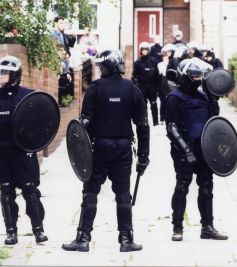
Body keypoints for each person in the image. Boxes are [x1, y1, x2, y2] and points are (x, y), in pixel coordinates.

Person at [62, 49, 150, 253]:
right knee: (123, 194)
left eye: (102, 65)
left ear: (108, 66)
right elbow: (143, 125)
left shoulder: (95, 88)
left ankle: (83, 238)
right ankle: (126, 240)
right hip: (123, 149)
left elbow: (84, 121)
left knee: (90, 192)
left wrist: (81, 153)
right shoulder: (132, 89)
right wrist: (144, 156)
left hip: (99, 147)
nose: (100, 68)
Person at [0, 55, 48, 245]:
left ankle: (38, 230)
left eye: (5, 73)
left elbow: (38, 123)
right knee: (6, 190)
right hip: (0, 150)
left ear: (15, 75)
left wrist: (36, 143)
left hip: (22, 151)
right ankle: (11, 232)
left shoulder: (27, 95)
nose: (1, 76)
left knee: (30, 189)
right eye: (0, 72)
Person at [165, 57, 228, 242]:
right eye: (194, 76)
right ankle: (177, 227)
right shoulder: (174, 98)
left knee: (207, 187)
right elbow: (171, 128)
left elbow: (214, 121)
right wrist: (186, 151)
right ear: (184, 76)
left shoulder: (203, 96)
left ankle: (207, 227)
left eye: (199, 76)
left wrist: (213, 98)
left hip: (203, 148)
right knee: (182, 186)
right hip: (184, 148)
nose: (198, 79)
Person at [132, 42, 160, 126]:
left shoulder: (154, 61)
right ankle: (144, 120)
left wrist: (158, 86)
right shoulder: (137, 62)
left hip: (152, 86)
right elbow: (134, 75)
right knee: (143, 105)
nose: (144, 51)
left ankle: (156, 122)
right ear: (141, 51)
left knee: (154, 104)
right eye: (143, 50)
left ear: (149, 50)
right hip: (142, 86)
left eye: (146, 50)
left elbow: (158, 75)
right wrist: (134, 85)